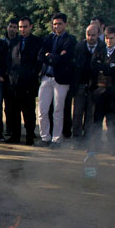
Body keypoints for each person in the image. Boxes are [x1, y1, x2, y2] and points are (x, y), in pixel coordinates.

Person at [36, 13, 76, 148]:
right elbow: (41, 56)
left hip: (61, 80)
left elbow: (66, 58)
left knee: (58, 110)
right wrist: (55, 56)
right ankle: (45, 137)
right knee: (42, 110)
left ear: (65, 24)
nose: (56, 26)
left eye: (59, 24)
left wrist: (51, 56)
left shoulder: (70, 40)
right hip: (46, 77)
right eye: (54, 24)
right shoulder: (48, 38)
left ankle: (56, 139)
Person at [89, 26, 115, 154]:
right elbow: (94, 66)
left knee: (112, 120)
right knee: (97, 120)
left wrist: (105, 67)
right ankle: (95, 145)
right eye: (106, 38)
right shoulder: (100, 49)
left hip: (114, 91)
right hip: (100, 91)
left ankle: (113, 147)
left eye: (111, 38)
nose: (108, 41)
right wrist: (109, 66)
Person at [5, 17, 42, 145]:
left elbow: (39, 62)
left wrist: (31, 74)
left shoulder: (37, 42)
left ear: (31, 26)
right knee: (13, 111)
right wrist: (10, 74)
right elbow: (8, 59)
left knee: (29, 113)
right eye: (20, 27)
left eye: (25, 27)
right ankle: (15, 136)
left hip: (28, 83)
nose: (22, 29)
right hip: (14, 82)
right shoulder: (14, 41)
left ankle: (29, 137)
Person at [71, 24, 103, 147]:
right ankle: (76, 139)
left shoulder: (102, 48)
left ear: (98, 35)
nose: (90, 37)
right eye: (88, 35)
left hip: (94, 87)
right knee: (77, 114)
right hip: (80, 85)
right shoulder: (79, 47)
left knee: (90, 115)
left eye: (93, 35)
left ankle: (88, 140)